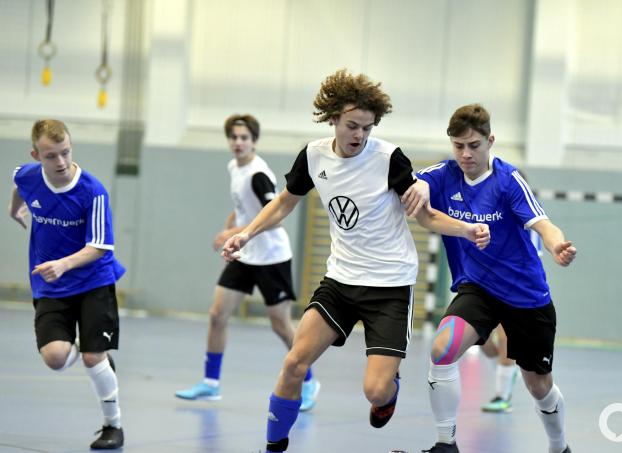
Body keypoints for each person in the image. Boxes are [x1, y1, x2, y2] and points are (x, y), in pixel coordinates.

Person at [220, 70, 490, 453]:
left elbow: (425, 216)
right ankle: (273, 447)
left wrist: (466, 229)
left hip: (390, 287)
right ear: (333, 118)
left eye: (366, 127)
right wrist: (247, 233)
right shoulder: (313, 156)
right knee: (295, 362)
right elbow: (283, 203)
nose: (359, 135)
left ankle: (389, 388)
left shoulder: (388, 158)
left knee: (375, 392)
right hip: (340, 281)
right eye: (352, 125)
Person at [417, 104, 575, 453]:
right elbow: (407, 184)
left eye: (473, 145)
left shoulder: (508, 181)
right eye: (458, 145)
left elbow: (543, 224)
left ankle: (558, 445)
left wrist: (556, 245)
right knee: (442, 349)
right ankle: (446, 443)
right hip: (478, 289)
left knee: (539, 386)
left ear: (490, 141)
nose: (465, 153)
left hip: (525, 296)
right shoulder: (443, 175)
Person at [175, 114, 319, 410]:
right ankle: (211, 383)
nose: (238, 143)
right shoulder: (234, 167)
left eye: (244, 138)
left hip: (271, 257)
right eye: (234, 137)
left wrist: (234, 231)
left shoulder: (257, 174)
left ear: (254, 141)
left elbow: (274, 218)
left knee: (280, 324)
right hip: (245, 253)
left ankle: (309, 381)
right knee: (218, 314)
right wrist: (232, 222)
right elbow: (243, 207)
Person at [8, 119, 126, 449]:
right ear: (36, 155)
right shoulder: (28, 175)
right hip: (51, 287)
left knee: (91, 358)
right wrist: (14, 208)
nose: (60, 162)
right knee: (55, 358)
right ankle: (96, 353)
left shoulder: (93, 191)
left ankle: (112, 426)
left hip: (93, 281)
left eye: (65, 153)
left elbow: (101, 246)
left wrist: (63, 264)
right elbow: (18, 182)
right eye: (50, 156)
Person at [479, 192, 543, 414]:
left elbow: (534, 254)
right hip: (485, 284)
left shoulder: (529, 217)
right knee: (482, 339)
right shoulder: (487, 211)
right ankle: (506, 371)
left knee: (507, 339)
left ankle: (502, 395)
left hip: (515, 287)